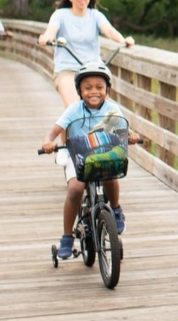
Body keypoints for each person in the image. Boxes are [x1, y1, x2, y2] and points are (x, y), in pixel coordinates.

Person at [41, 62, 140, 259]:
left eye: (99, 87)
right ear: (79, 90)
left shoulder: (112, 109)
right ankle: (67, 237)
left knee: (112, 175)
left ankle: (116, 208)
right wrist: (48, 142)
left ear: (107, 90)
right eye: (87, 88)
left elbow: (123, 127)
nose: (93, 92)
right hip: (78, 155)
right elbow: (55, 130)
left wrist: (131, 135)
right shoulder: (74, 110)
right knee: (75, 190)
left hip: (102, 152)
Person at [37, 0, 134, 108]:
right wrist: (46, 37)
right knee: (75, 108)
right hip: (68, 69)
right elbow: (51, 30)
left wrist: (123, 41)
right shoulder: (60, 15)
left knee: (106, 110)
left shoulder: (95, 15)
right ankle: (74, 126)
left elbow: (109, 30)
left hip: (93, 69)